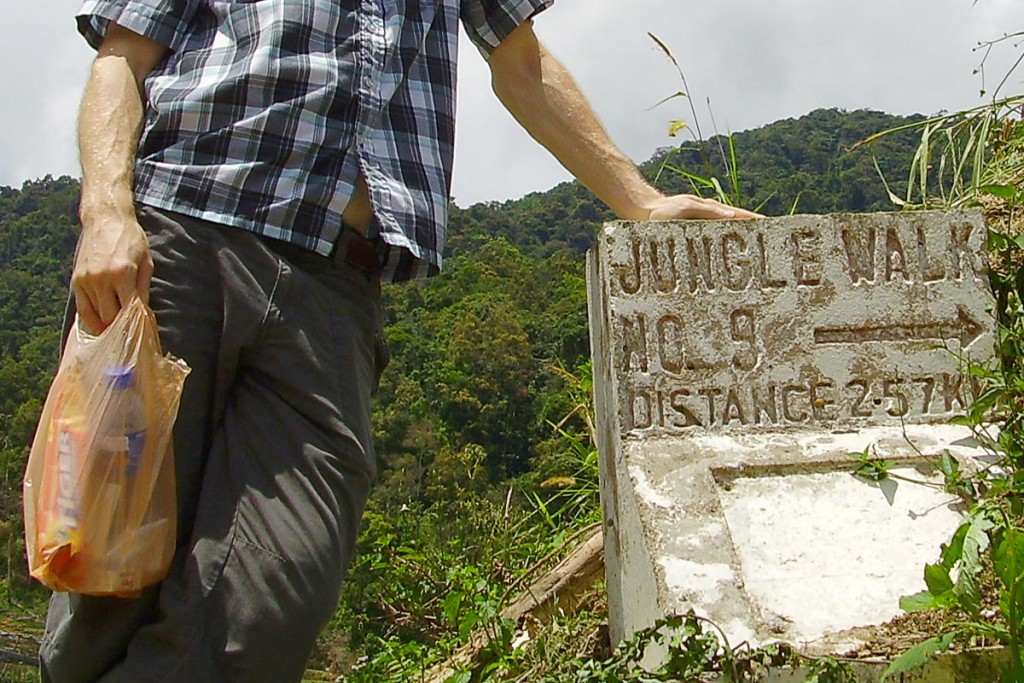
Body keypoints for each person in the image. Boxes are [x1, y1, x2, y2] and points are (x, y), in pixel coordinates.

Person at [42, 1, 760, 681]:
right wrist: (106, 210)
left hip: (336, 286)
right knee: (113, 556)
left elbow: (520, 61)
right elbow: (122, 57)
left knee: (279, 583)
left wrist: (641, 201)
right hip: (183, 237)